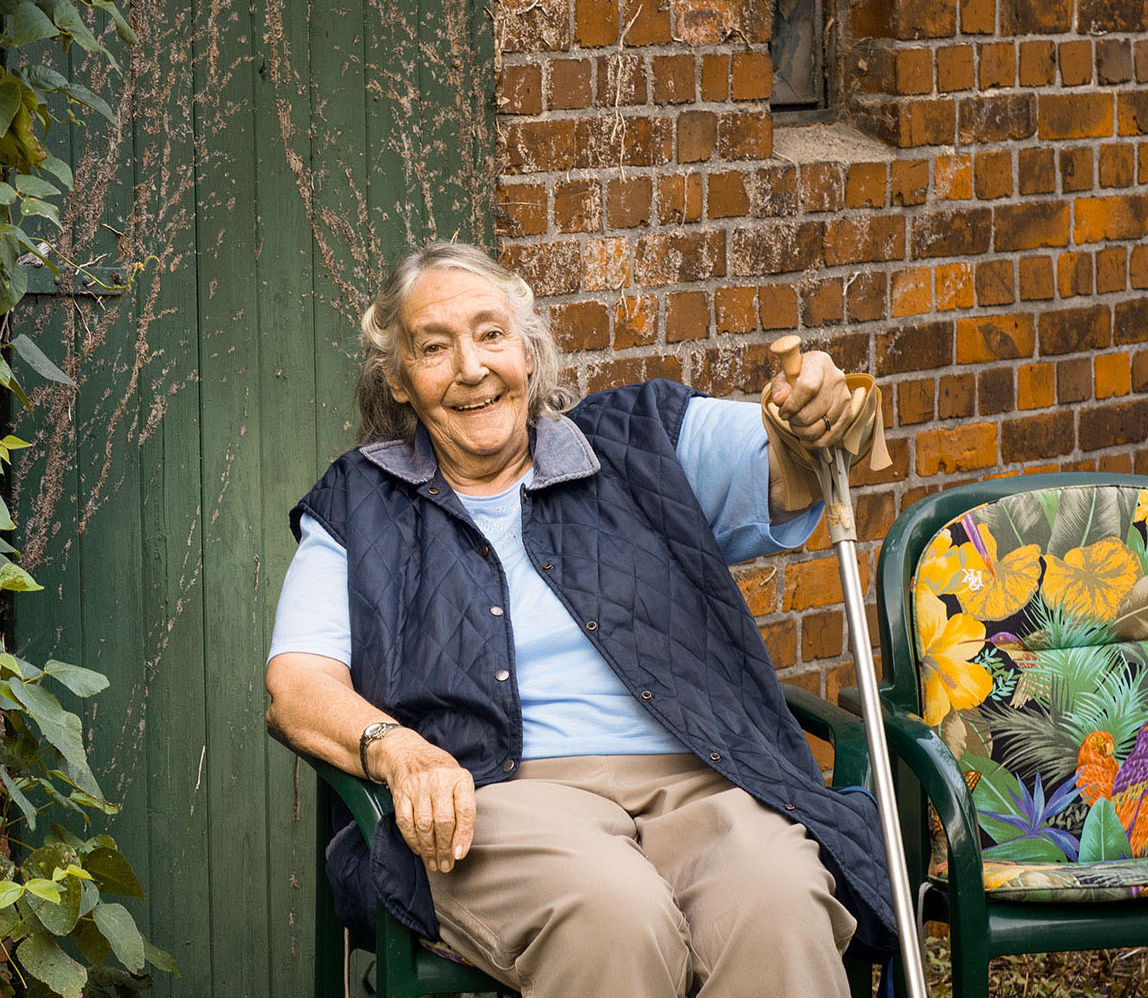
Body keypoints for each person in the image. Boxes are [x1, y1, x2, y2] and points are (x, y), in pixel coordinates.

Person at [264, 241, 896, 997]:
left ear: (528, 353)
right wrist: (400, 752)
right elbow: (298, 685)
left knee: (777, 899)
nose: (472, 368)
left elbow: (786, 467)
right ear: (399, 381)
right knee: (614, 913)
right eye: (435, 348)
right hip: (500, 802)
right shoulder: (361, 504)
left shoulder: (639, 439)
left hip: (699, 786)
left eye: (492, 336)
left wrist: (817, 415)